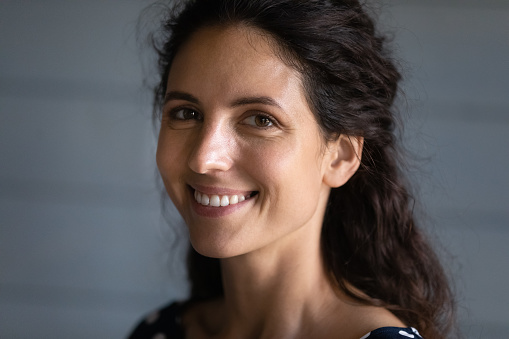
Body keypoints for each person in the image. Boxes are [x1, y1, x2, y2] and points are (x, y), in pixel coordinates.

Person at [129, 0, 456, 338]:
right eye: (186, 114)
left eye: (260, 119)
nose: (204, 158)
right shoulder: (159, 332)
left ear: (340, 157)